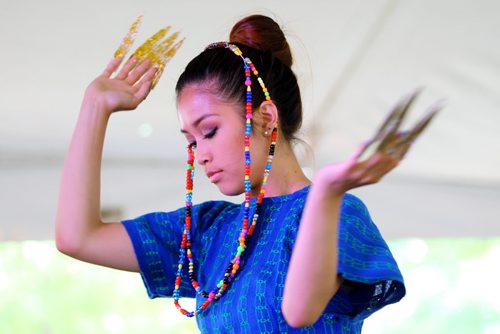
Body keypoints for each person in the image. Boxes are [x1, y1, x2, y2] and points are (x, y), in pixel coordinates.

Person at [56, 14, 407, 333]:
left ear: (267, 118)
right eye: (191, 142)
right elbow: (78, 238)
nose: (200, 156)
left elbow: (298, 313)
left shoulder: (337, 211)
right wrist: (94, 106)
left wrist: (327, 192)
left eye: (208, 131)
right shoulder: (211, 230)